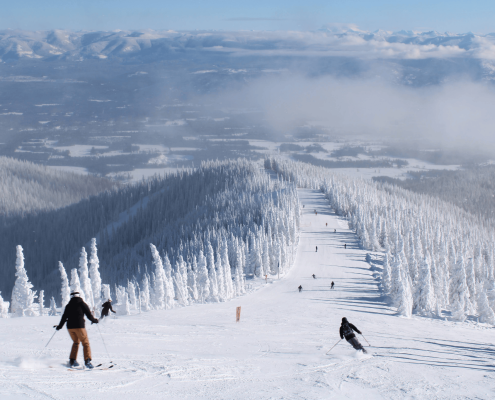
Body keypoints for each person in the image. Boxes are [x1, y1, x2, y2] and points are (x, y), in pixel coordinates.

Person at [56, 292, 99, 368]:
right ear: (79, 296)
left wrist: (60, 326)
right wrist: (94, 320)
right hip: (79, 326)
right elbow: (88, 315)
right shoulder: (82, 304)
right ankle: (87, 361)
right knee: (85, 343)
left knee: (76, 342)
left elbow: (64, 317)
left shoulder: (68, 305)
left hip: (70, 327)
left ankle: (72, 360)